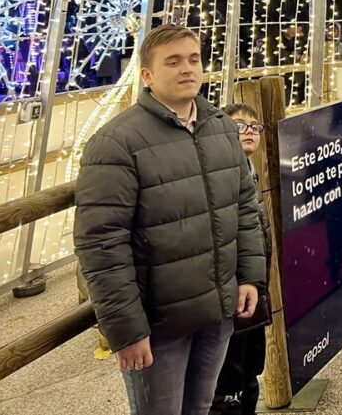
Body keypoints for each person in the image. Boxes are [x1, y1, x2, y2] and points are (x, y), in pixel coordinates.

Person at [74, 24, 266, 415]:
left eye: (194, 59)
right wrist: (126, 330)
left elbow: (244, 208)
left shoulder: (220, 128)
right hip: (160, 326)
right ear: (147, 74)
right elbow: (101, 244)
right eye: (173, 61)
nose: (187, 69)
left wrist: (249, 277)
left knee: (200, 408)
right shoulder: (117, 143)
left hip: (217, 312)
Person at [211, 104, 272, 415]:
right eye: (240, 125)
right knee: (227, 386)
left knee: (250, 375)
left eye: (254, 126)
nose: (249, 131)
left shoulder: (251, 176)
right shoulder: (222, 183)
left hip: (253, 297)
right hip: (231, 301)